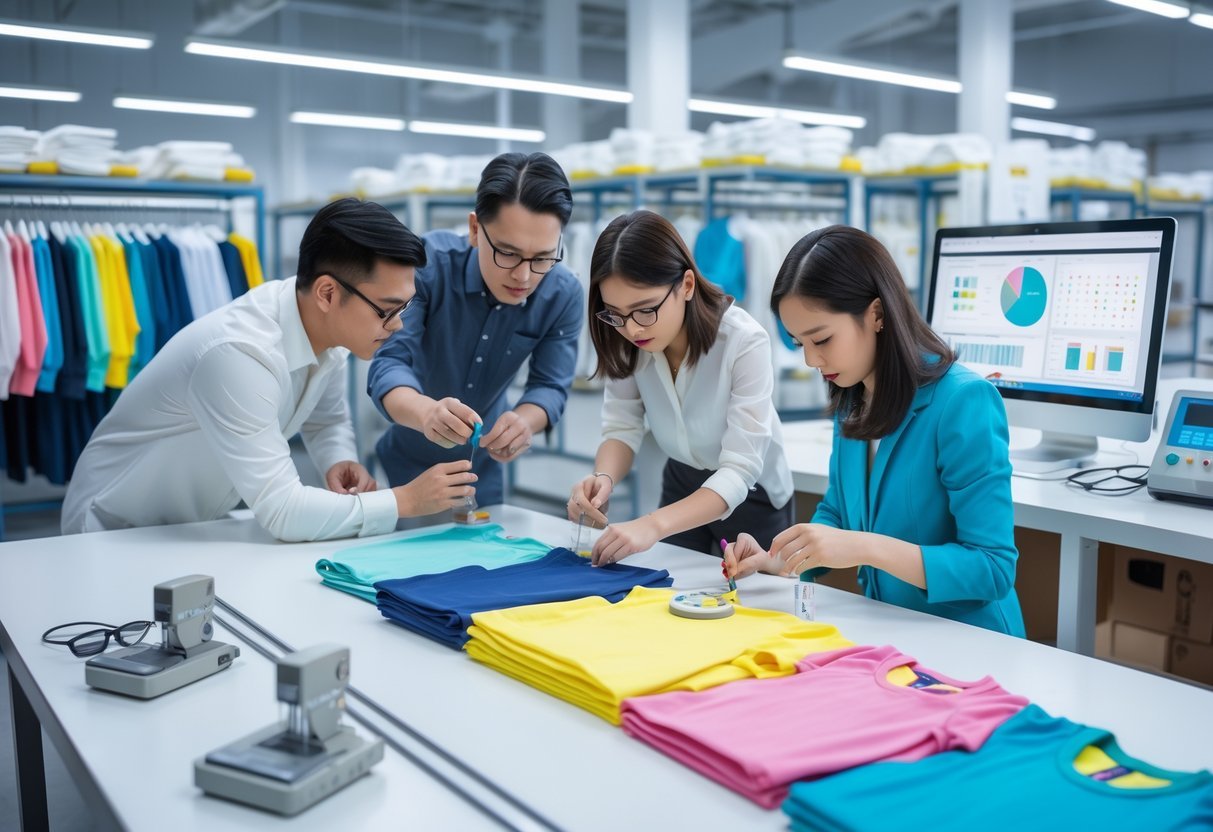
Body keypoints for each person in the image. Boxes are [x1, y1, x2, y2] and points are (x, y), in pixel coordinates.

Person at [61, 199, 477, 542]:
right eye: (387, 310)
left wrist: (339, 459)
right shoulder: (239, 354)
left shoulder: (325, 331)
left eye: (404, 307)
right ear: (327, 293)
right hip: (111, 530)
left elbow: (326, 419)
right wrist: (405, 501)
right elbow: (283, 511)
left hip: (188, 526)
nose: (398, 325)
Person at [724, 225, 1025, 636]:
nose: (811, 360)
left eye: (821, 339)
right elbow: (838, 512)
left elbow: (992, 568)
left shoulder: (963, 401)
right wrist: (782, 558)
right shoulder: (852, 396)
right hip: (892, 631)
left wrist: (864, 546)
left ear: (877, 314)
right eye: (798, 343)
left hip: (969, 639)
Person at [567, 210, 793, 565]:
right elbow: (622, 427)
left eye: (645, 310)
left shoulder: (743, 341)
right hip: (682, 480)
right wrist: (603, 477)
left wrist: (652, 524)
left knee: (754, 597)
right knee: (668, 590)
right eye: (615, 313)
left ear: (686, 285)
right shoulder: (627, 337)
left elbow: (739, 470)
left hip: (752, 495)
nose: (632, 329)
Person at [368, 152, 583, 509]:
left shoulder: (562, 293)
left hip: (481, 470)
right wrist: (426, 413)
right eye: (508, 253)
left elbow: (550, 385)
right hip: (407, 465)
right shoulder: (428, 266)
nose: (524, 276)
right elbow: (390, 362)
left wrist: (524, 421)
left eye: (543, 257)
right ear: (474, 229)